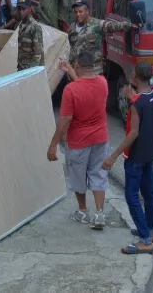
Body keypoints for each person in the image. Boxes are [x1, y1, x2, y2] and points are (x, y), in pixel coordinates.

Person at [102, 61, 153, 255]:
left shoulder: (136, 104)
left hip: (135, 156)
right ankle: (150, 231)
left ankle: (145, 240)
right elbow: (144, 108)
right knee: (149, 194)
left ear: (135, 78)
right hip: (149, 153)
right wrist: (132, 97)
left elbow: (133, 133)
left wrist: (113, 156)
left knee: (132, 196)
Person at [48, 51, 110, 230]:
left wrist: (53, 144)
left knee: (78, 177)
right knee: (98, 174)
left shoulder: (70, 90)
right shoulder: (102, 83)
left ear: (77, 65)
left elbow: (65, 120)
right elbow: (85, 85)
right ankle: (100, 213)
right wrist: (71, 71)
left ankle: (83, 211)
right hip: (100, 138)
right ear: (92, 66)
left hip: (78, 141)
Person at [68, 0, 134, 76]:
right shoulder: (72, 27)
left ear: (87, 11)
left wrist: (129, 25)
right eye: (76, 12)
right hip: (76, 71)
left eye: (80, 11)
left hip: (92, 71)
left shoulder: (97, 24)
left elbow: (112, 26)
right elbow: (72, 47)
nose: (78, 14)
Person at [17, 0, 44, 71]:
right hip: (21, 66)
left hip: (30, 68)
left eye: (23, 9)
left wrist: (32, 72)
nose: (20, 12)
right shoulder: (21, 25)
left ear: (29, 9)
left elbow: (37, 54)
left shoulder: (34, 26)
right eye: (19, 9)